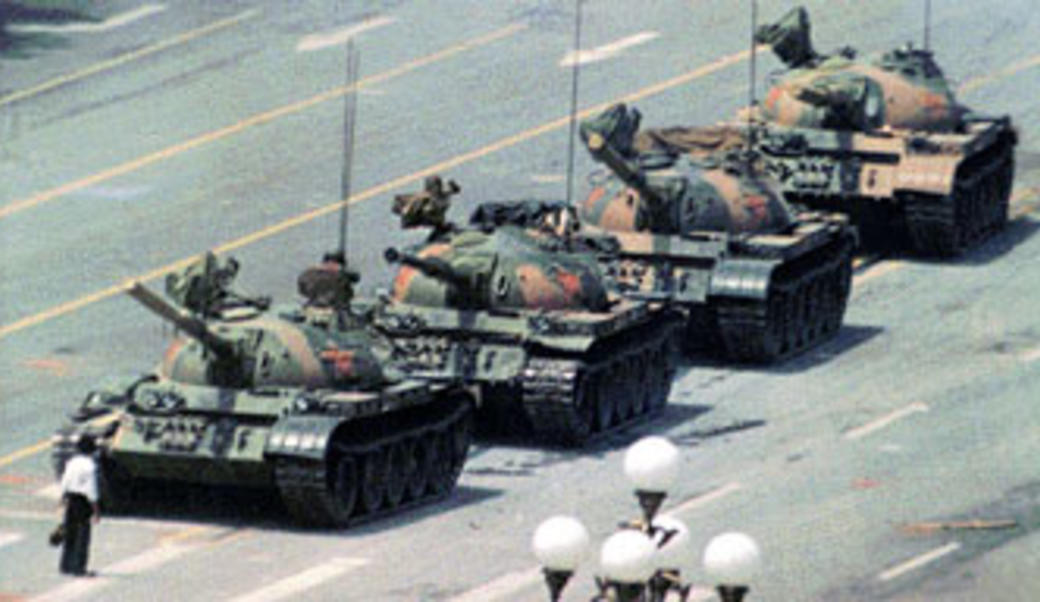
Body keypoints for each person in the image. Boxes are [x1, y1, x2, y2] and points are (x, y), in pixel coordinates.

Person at [58, 435, 100, 576]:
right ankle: (79, 568)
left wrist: (62, 499)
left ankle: (66, 565)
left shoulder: (72, 462)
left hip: (71, 498)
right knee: (83, 536)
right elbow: (91, 490)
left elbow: (64, 481)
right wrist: (96, 511)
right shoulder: (90, 466)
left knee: (70, 533)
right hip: (83, 502)